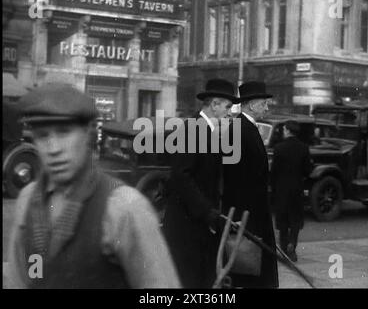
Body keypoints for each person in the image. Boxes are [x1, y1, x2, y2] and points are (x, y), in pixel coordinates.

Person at [5, 83, 180, 289]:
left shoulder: (124, 208)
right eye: (43, 136)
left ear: (87, 135)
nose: (53, 149)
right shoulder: (28, 201)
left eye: (64, 133)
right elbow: (20, 280)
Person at [162, 78, 238, 288]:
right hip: (186, 228)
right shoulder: (194, 129)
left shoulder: (206, 130)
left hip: (198, 225)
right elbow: (181, 176)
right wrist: (206, 211)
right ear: (214, 105)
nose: (230, 112)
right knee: (191, 282)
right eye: (228, 106)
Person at [222, 81, 279, 288]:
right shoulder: (239, 130)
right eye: (264, 103)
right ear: (252, 105)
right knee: (249, 272)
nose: (267, 107)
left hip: (254, 213)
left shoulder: (247, 128)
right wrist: (239, 218)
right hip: (247, 216)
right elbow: (233, 177)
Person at [270, 120, 313, 262]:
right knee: (295, 220)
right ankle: (292, 246)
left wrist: (273, 186)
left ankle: (283, 248)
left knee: (283, 221)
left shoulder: (278, 148)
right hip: (296, 189)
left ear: (288, 131)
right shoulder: (304, 148)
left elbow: (274, 171)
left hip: (282, 190)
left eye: (284, 129)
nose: (283, 132)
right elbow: (307, 171)